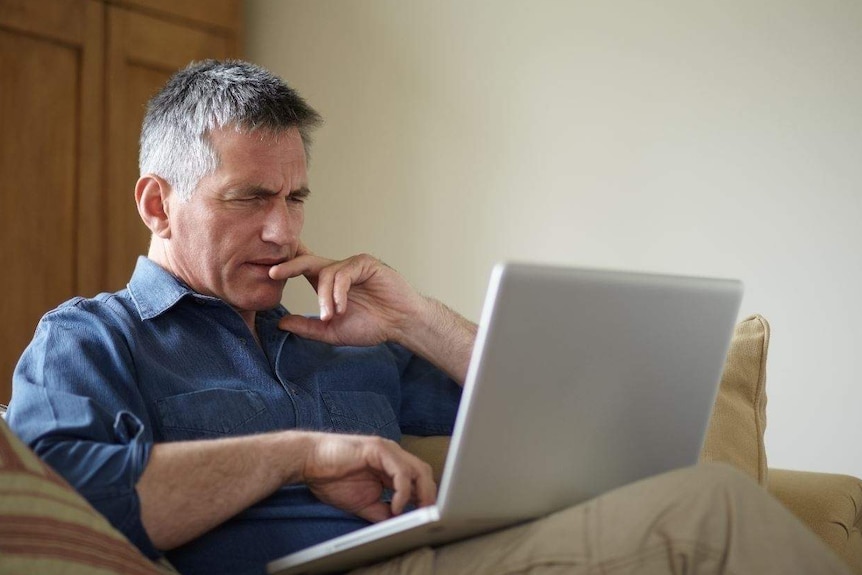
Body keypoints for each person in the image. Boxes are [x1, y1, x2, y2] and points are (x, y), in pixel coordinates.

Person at [7, 60, 851, 575]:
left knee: (699, 491)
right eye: (249, 198)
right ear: (157, 202)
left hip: (438, 553)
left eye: (297, 196)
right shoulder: (92, 337)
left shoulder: (342, 339)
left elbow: (581, 423)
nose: (285, 229)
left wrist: (414, 320)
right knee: (710, 511)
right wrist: (300, 454)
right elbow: (62, 503)